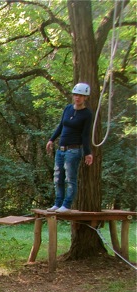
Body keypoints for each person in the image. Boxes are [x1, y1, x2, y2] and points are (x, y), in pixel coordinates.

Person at [45, 82, 94, 213]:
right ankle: (58, 203)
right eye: (76, 95)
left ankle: (66, 205)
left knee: (70, 178)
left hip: (74, 150)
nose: (77, 98)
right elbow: (61, 125)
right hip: (61, 149)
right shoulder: (68, 108)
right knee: (57, 177)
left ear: (85, 97)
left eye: (81, 96)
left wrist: (88, 152)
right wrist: (51, 140)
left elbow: (85, 135)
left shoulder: (87, 114)